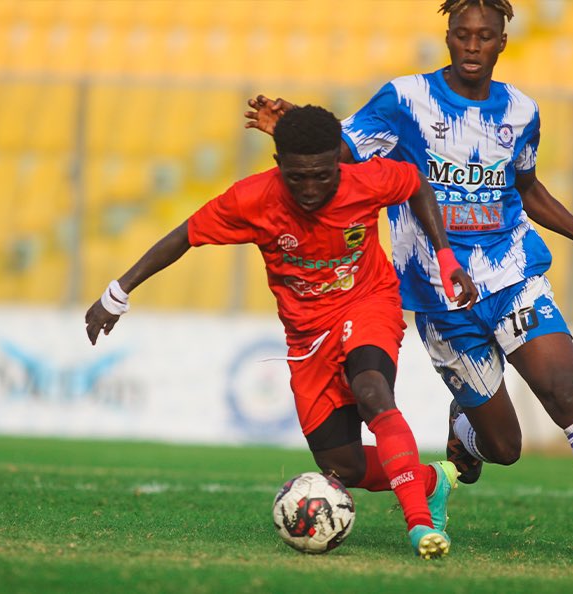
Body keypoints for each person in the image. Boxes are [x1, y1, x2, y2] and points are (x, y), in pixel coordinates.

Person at [243, 0, 573, 564]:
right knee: (505, 448)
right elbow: (341, 153)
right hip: (438, 296)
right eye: (462, 34)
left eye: (483, 36)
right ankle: (466, 432)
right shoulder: (404, 100)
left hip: (513, 273)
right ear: (448, 37)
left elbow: (526, 185)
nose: (472, 45)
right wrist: (296, 129)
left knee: (563, 389)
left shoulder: (521, 111)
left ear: (501, 42)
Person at [85, 105, 480, 558]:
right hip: (306, 337)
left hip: (368, 302)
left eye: (321, 176)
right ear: (278, 166)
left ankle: (420, 526)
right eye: (297, 178)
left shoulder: (365, 181)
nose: (310, 189)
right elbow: (184, 235)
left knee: (372, 390)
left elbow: (415, 184)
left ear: (339, 160)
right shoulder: (252, 199)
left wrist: (446, 256)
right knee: (342, 465)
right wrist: (118, 292)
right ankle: (430, 482)